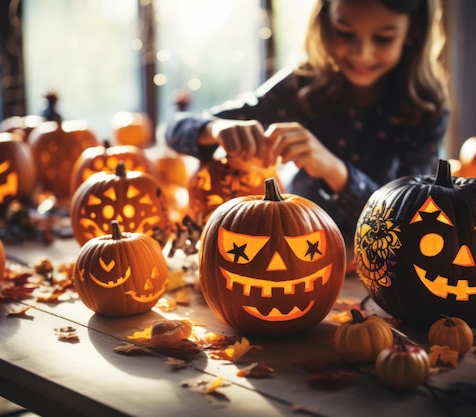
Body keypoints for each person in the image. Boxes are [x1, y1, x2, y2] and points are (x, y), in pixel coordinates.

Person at [165, 0, 449, 262]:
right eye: (344, 32)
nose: (362, 53)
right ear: (325, 24)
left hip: (386, 267)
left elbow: (413, 220)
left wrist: (334, 170)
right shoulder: (301, 87)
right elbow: (173, 130)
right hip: (293, 253)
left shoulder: (426, 108)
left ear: (413, 32)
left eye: (384, 38)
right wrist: (216, 128)